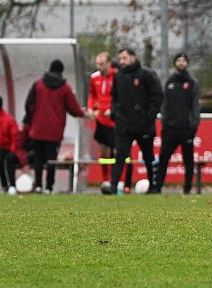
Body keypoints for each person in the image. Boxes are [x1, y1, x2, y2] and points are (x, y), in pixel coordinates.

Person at [24, 59, 85, 194]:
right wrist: (83, 112)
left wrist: (31, 120)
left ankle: (38, 185)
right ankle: (49, 187)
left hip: (37, 129)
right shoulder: (65, 88)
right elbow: (73, 109)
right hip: (54, 131)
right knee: (51, 160)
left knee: (38, 159)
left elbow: (28, 105)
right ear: (61, 71)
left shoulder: (38, 85)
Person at [110, 48, 163, 195]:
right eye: (120, 58)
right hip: (124, 125)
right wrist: (115, 114)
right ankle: (113, 186)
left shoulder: (146, 74)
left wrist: (149, 117)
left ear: (133, 57)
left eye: (124, 58)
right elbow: (114, 97)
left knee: (148, 156)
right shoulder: (118, 76)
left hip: (144, 125)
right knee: (120, 155)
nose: (122, 61)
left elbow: (157, 96)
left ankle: (153, 186)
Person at [157, 53, 201, 194]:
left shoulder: (192, 83)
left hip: (186, 128)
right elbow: (164, 104)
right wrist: (165, 120)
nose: (181, 63)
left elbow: (195, 106)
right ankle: (157, 187)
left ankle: (187, 189)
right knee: (163, 158)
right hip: (170, 128)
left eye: (183, 60)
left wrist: (193, 125)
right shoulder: (170, 82)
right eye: (178, 60)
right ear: (175, 63)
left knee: (188, 160)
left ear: (187, 63)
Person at [88, 52, 131, 193]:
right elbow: (92, 95)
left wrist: (113, 111)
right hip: (101, 120)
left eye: (101, 64)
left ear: (108, 63)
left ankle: (120, 182)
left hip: (116, 121)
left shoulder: (118, 76)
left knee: (120, 152)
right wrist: (91, 108)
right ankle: (106, 180)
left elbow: (122, 97)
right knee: (104, 154)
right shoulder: (94, 78)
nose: (98, 66)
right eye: (97, 64)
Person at [0, 96, 27, 195]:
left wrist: (12, 150)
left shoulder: (8, 120)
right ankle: (5, 186)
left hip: (9, 150)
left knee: (4, 158)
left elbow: (16, 138)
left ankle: (9, 185)